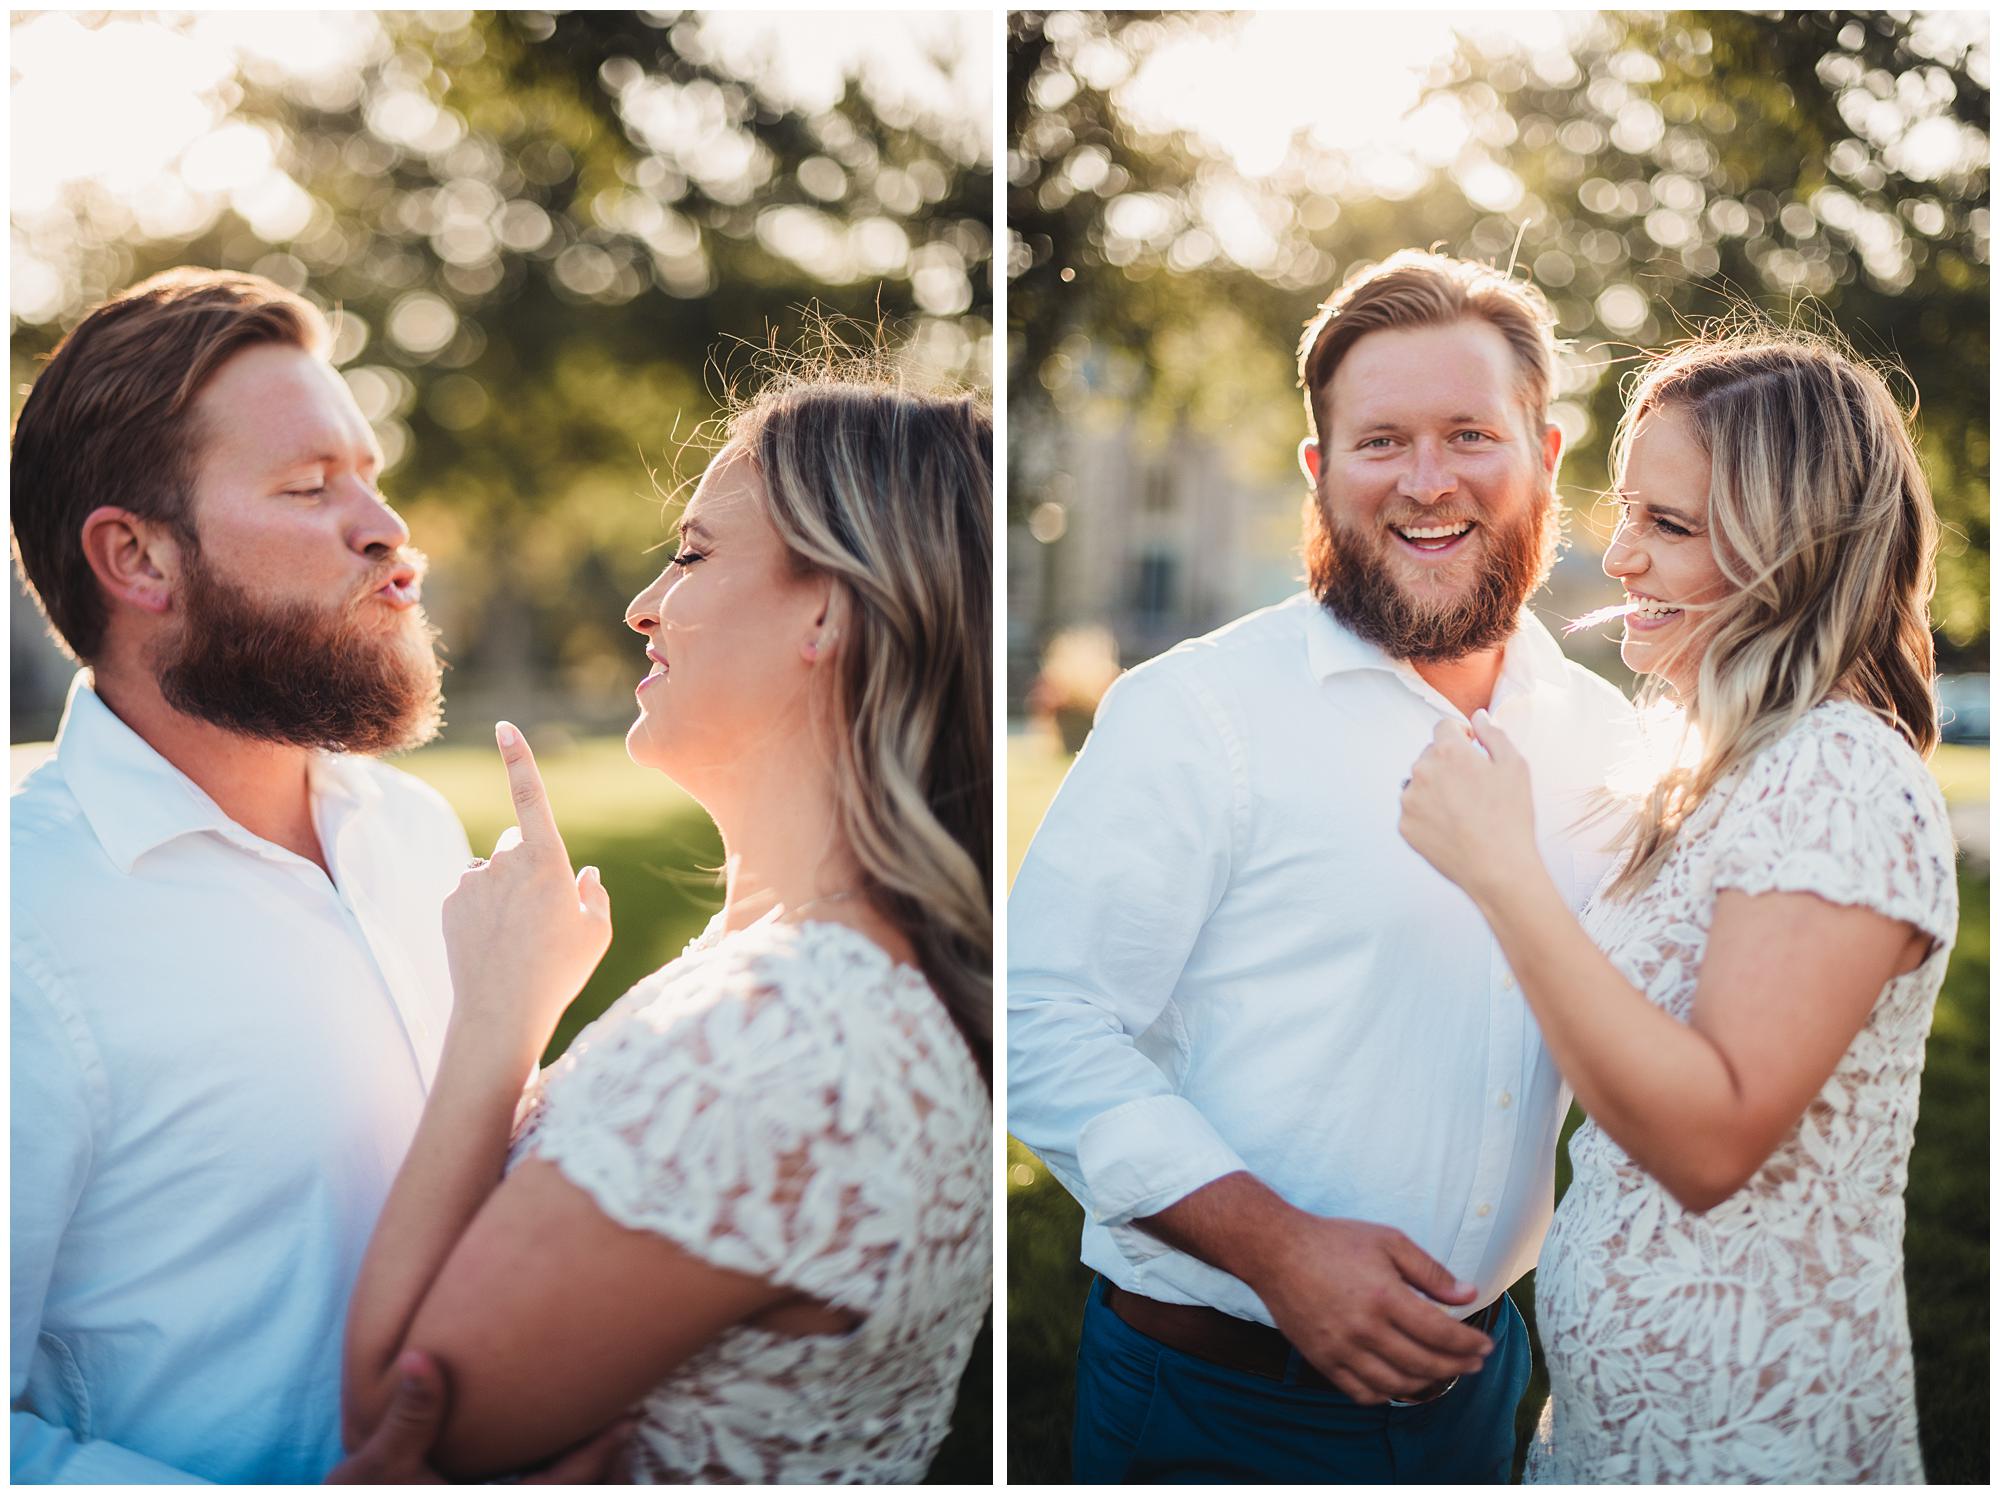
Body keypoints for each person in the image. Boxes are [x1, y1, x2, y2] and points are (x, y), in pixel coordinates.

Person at [1007, 250, 1640, 1482]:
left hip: (1484, 1388)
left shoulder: (1604, 742)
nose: (1425, 481)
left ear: (1545, 458)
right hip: (1213, 1403)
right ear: (1319, 473)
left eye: (1469, 435)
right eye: (1379, 442)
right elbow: (1037, 1020)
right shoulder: (1197, 712)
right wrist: (1276, 1247)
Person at [336, 365, 994, 1483]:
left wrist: (497, 1019)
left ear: (828, 608)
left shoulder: (784, 1041)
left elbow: (398, 1409)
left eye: (690, 554)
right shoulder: (796, 972)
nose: (643, 603)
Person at [8, 269, 612, 1484]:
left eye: (370, 476)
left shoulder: (412, 828)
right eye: (308, 486)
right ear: (137, 557)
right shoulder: (24, 924)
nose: (388, 529)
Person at [1400, 331, 1955, 1483]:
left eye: (1667, 525)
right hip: (1610, 1440)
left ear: (1794, 552)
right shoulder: (1720, 761)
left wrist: (1498, 871)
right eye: (1625, 514)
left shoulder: (1839, 772)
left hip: (1749, 1452)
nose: (1614, 558)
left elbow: (1709, 1140)